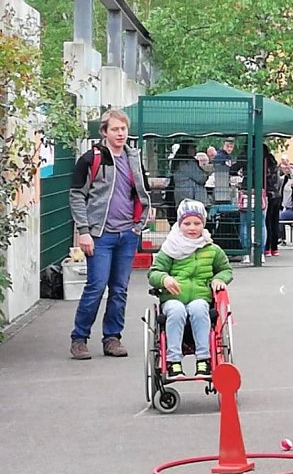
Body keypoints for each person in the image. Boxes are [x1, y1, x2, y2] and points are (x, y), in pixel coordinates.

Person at [68, 109, 151, 360]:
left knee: (120, 289)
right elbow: (76, 195)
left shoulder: (133, 158)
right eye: (115, 129)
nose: (120, 133)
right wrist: (84, 231)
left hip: (127, 233)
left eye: (123, 129)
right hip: (100, 235)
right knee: (96, 286)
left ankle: (112, 338)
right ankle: (79, 338)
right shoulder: (91, 158)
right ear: (104, 132)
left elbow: (143, 192)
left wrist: (140, 225)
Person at [148, 200, 233, 378]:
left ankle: (204, 359)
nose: (192, 227)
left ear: (204, 224)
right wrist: (164, 279)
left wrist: (219, 279)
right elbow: (154, 273)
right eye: (187, 223)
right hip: (173, 298)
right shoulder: (170, 248)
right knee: (177, 311)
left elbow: (226, 270)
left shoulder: (212, 249)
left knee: (199, 308)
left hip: (200, 297)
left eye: (197, 223)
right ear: (179, 225)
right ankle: (173, 361)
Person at [172, 142, 210, 210]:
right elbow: (201, 178)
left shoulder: (178, 162)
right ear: (187, 149)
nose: (195, 150)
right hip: (192, 200)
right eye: (193, 148)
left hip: (183, 198)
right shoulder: (188, 163)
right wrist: (206, 173)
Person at [263, 146, 283, 257]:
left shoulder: (263, 162)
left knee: (267, 222)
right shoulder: (273, 162)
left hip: (267, 194)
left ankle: (267, 247)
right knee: (275, 222)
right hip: (276, 195)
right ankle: (274, 248)